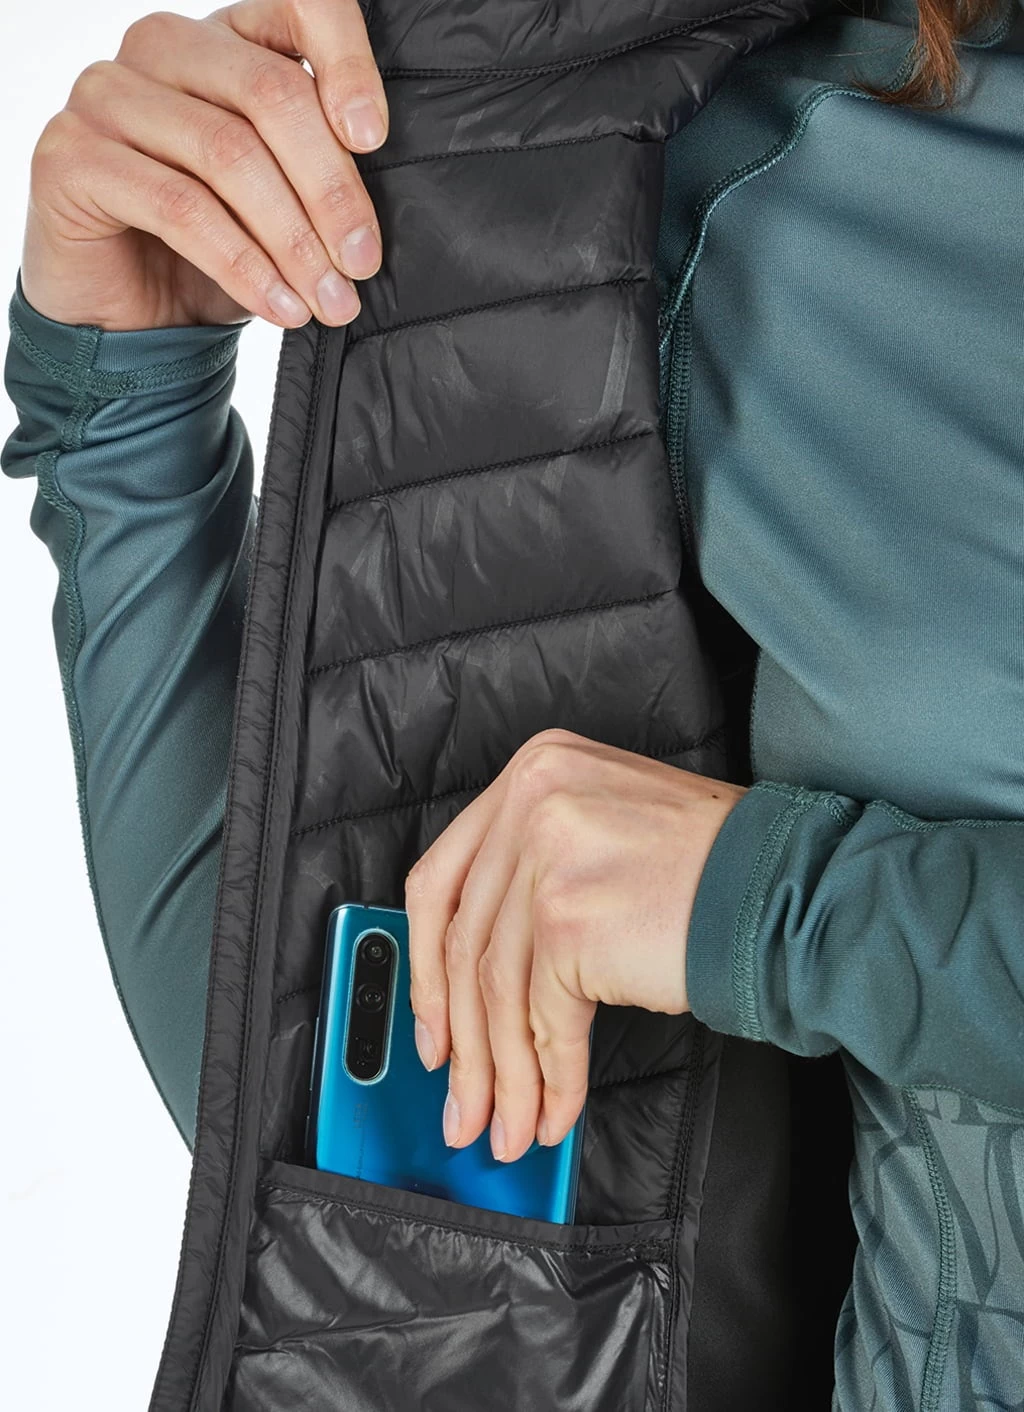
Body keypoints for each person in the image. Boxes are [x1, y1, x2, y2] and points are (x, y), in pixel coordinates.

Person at [3, 0, 1023, 1407]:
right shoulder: (704, 164)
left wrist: (797, 910)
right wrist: (126, 422)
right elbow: (380, 1220)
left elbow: (765, 913)